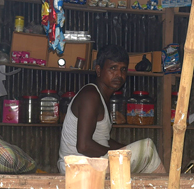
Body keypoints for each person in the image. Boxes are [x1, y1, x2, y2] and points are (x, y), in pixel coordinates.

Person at [58, 44, 165, 174]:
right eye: (113, 68)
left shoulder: (102, 97)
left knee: (143, 154)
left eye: (123, 69)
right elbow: (84, 146)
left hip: (91, 163)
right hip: (78, 166)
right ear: (98, 70)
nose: (119, 74)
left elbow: (104, 141)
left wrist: (127, 149)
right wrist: (120, 155)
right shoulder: (90, 95)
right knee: (147, 147)